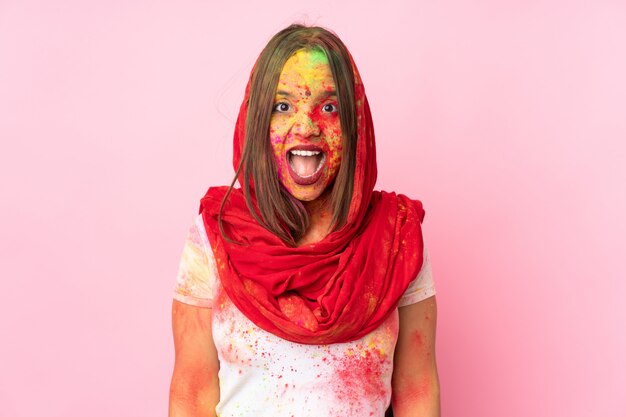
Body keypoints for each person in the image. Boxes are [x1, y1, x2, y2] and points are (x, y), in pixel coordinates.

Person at [169, 24, 440, 417]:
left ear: (354, 125)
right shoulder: (214, 239)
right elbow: (191, 396)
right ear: (257, 122)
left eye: (329, 107)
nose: (306, 126)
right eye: (282, 107)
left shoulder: (396, 239)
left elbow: (417, 391)